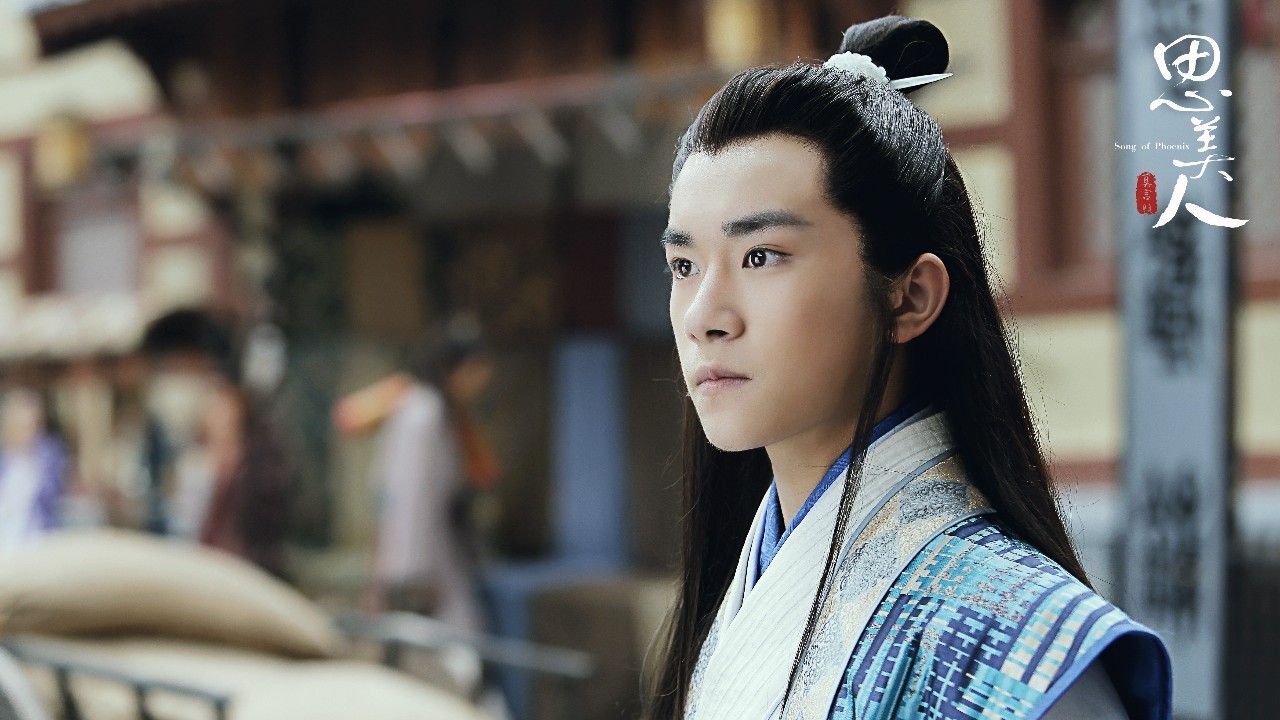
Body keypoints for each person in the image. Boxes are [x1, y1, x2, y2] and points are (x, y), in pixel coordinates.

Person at [646, 15, 1171, 720]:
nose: (704, 315)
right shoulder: (744, 593)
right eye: (684, 265)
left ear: (911, 295)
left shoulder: (1016, 644)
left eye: (761, 256)